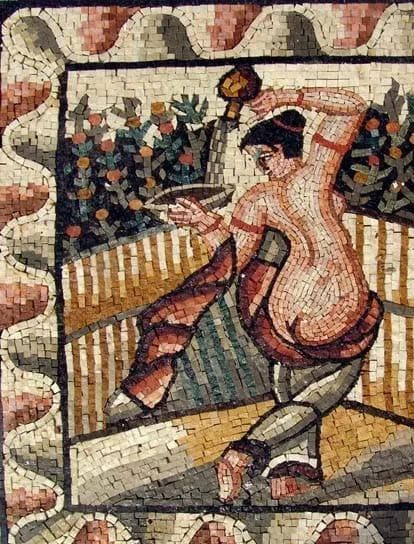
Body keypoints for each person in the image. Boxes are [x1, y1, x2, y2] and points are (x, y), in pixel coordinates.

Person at [108, 87, 383, 501]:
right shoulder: (311, 179)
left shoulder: (264, 198)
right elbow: (352, 108)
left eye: (264, 158)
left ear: (282, 149)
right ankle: (245, 453)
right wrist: (291, 96)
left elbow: (233, 256)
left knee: (294, 388)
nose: (262, 167)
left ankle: (292, 469)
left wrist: (205, 223)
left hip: (277, 321)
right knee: (318, 396)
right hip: (332, 314)